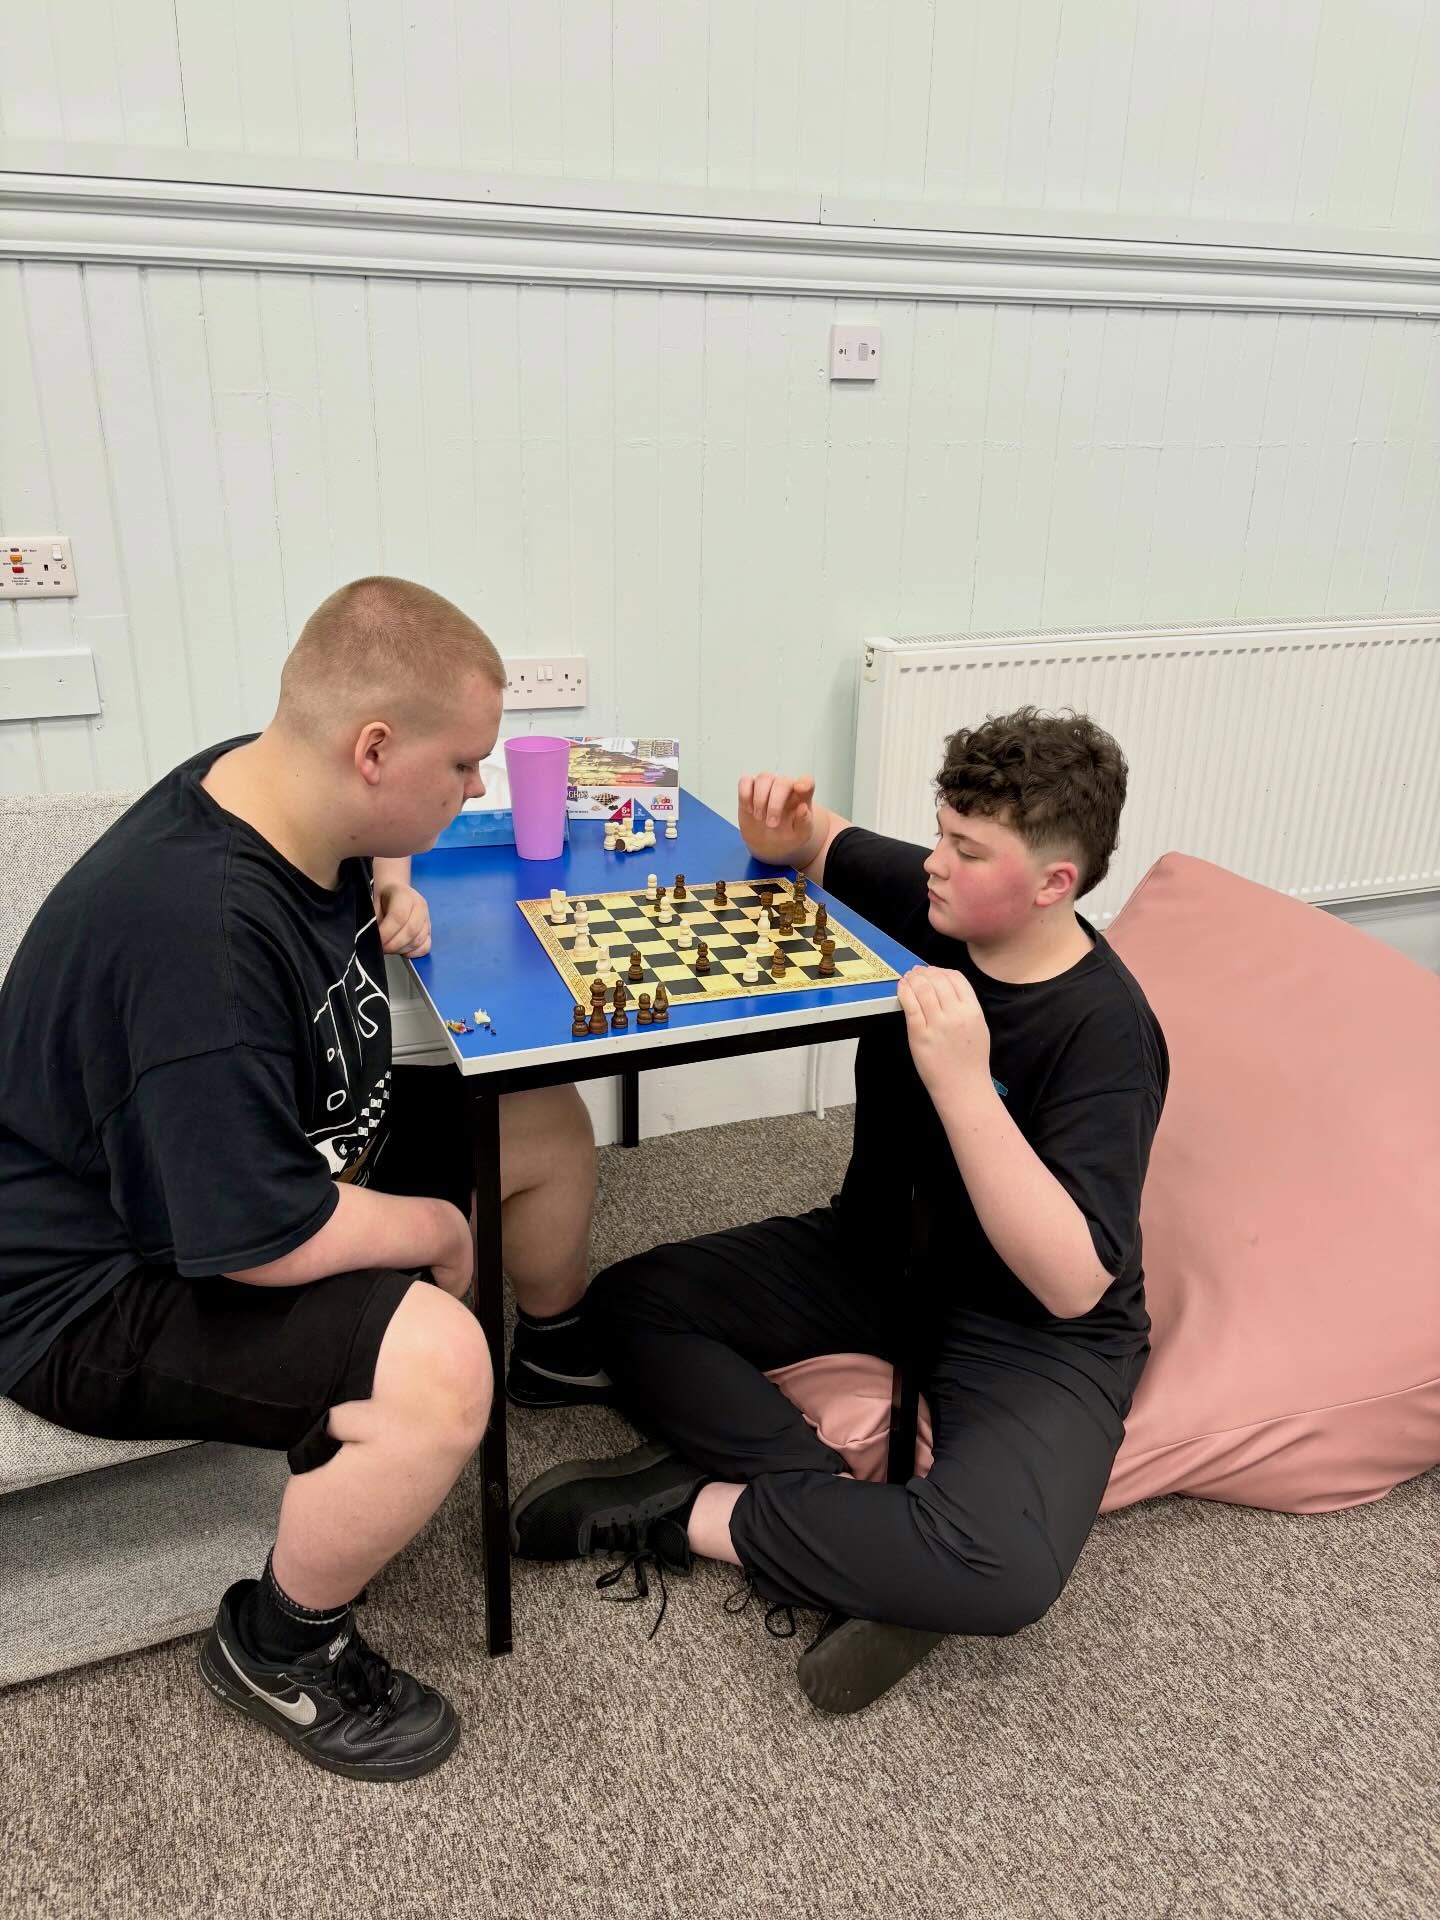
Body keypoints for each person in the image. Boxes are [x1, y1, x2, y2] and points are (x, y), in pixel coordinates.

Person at [0, 576, 604, 1779]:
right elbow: (259, 1237)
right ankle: (280, 1647)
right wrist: (432, 1228)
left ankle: (561, 1349)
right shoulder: (199, 945)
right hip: (91, 1281)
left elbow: (338, 862)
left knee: (538, 1123)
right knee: (439, 1366)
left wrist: (391, 871)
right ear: (374, 749)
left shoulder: (277, 786)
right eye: (464, 767)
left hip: (253, 1160)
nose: (476, 790)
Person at [510, 707, 1169, 1713]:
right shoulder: (942, 902)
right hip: (874, 1255)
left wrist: (962, 1084)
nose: (935, 863)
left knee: (1005, 1571)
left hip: (1030, 1330)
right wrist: (787, 831)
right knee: (631, 1303)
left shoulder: (1108, 1032)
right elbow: (818, 845)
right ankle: (863, 1540)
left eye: (966, 848)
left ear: (1053, 884)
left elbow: (1076, 1279)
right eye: (940, 832)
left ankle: (692, 1508)